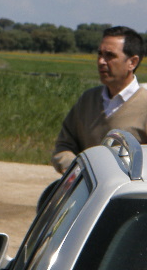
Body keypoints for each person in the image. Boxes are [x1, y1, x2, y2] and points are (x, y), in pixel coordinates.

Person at [51, 26, 147, 174]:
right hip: (89, 194)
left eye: (110, 56)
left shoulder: (144, 105)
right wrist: (77, 170)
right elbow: (64, 145)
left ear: (132, 62)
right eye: (100, 54)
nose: (101, 61)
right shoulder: (87, 100)